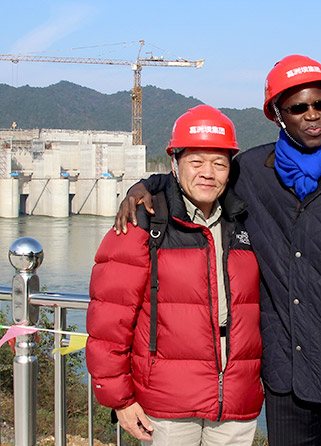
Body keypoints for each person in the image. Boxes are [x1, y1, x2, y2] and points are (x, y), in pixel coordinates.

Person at [115, 55, 321, 446]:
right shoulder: (254, 172)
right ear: (278, 114)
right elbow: (202, 176)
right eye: (298, 108)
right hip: (285, 375)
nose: (313, 116)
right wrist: (148, 185)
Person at [86, 105, 264, 446]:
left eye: (219, 163)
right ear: (174, 163)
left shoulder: (246, 220)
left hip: (236, 403)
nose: (208, 173)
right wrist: (119, 399)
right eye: (196, 162)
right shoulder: (143, 222)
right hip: (167, 405)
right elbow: (108, 322)